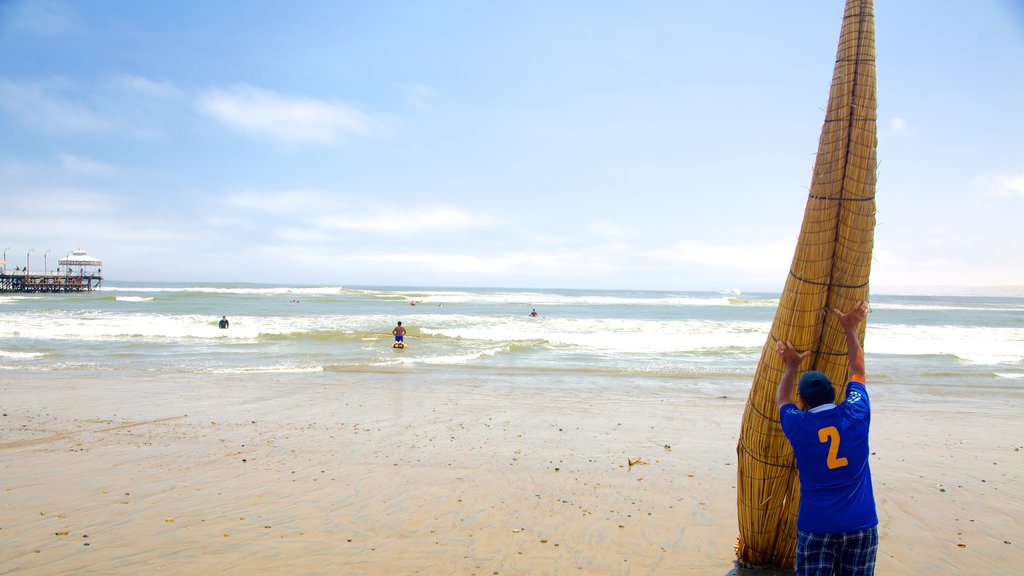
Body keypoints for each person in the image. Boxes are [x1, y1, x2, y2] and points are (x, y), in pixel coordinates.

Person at [775, 300, 877, 575]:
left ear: (803, 401)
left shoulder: (798, 424)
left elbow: (782, 399)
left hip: (817, 526)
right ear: (835, 393)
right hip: (861, 524)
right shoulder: (856, 411)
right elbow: (858, 371)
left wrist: (791, 367)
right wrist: (849, 327)